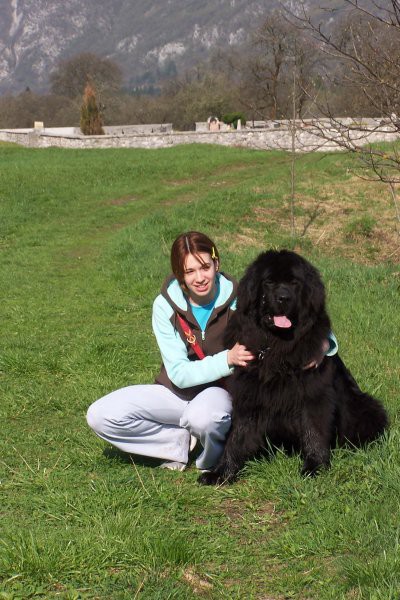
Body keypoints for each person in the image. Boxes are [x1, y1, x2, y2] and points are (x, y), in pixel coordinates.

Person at [86, 231, 337, 472]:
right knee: (102, 415)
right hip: (175, 390)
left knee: (203, 417)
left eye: (205, 267)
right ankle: (178, 444)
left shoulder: (240, 295)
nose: (200, 277)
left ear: (216, 264)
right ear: (179, 275)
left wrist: (325, 344)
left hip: (219, 393)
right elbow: (179, 374)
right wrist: (227, 358)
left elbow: (305, 318)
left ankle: (209, 458)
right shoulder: (165, 306)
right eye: (190, 271)